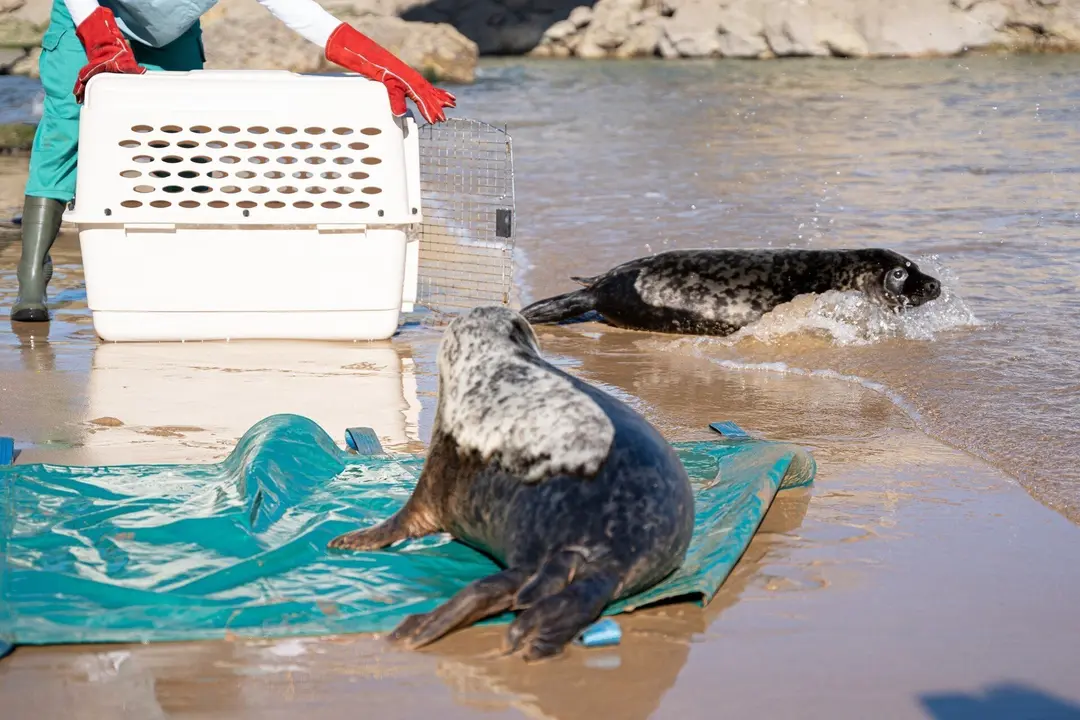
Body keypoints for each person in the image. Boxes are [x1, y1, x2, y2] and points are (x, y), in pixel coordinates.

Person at [11, 0, 457, 323]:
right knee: (67, 129)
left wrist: (388, 67)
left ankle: (186, 269)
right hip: (86, 20)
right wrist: (98, 35)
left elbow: (309, 18)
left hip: (170, 38)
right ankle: (33, 274)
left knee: (181, 142)